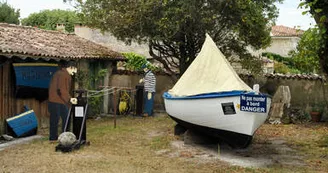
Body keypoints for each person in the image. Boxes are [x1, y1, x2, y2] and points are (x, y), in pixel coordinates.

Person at [48, 61, 77, 141]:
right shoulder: (64, 75)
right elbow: (62, 89)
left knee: (57, 120)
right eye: (74, 70)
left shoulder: (59, 73)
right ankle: (62, 137)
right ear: (71, 67)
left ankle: (54, 137)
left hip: (56, 100)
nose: (74, 73)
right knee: (64, 119)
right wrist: (70, 99)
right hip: (57, 101)